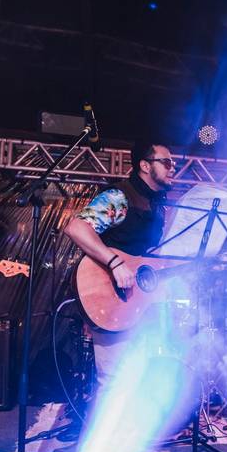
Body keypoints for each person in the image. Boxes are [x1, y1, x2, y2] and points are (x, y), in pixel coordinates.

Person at [63, 141, 175, 395]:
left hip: (139, 301)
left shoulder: (157, 205)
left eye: (174, 164)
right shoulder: (120, 197)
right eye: (166, 162)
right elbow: (77, 227)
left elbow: (144, 257)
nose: (173, 168)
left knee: (139, 379)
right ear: (145, 166)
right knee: (114, 384)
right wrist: (115, 263)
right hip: (110, 296)